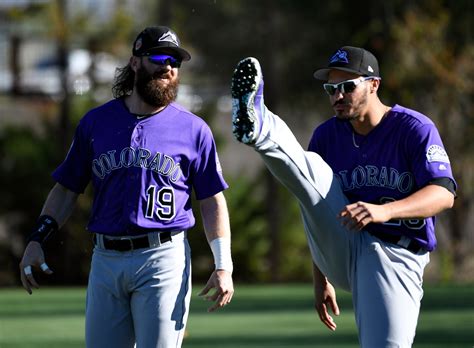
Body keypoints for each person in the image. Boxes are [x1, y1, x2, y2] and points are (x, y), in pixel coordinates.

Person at [19, 26, 234, 348]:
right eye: (160, 57)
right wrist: (38, 238)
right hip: (106, 258)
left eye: (176, 61)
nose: (168, 66)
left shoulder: (193, 130)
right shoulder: (96, 123)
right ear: (135, 62)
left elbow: (212, 200)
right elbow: (66, 189)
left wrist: (223, 264)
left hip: (162, 256)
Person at [230, 47, 456, 347]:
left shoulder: (413, 128)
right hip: (342, 241)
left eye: (347, 87)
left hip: (394, 255)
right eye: (330, 89)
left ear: (373, 84)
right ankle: (260, 126)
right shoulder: (328, 135)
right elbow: (314, 203)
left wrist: (384, 212)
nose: (337, 96)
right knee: (311, 171)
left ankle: (261, 125)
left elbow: (443, 193)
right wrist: (320, 277)